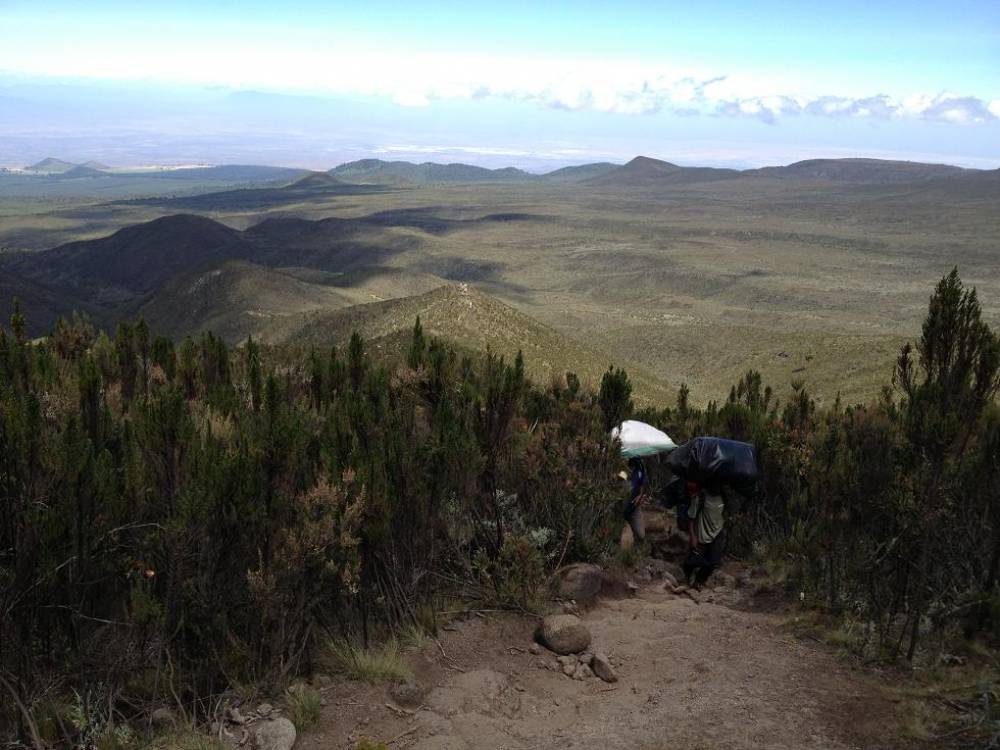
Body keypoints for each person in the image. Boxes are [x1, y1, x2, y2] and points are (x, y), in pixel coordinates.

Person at [681, 480, 727, 587]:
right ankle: (687, 578)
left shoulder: (723, 497)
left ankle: (699, 581)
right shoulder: (700, 498)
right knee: (693, 561)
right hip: (702, 535)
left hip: (717, 533)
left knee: (713, 563)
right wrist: (693, 536)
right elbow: (691, 518)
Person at [623, 456, 647, 543]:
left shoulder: (640, 464)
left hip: (633, 506)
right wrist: (624, 465)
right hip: (618, 507)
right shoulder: (621, 464)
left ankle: (636, 548)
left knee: (641, 535)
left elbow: (642, 482)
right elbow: (618, 479)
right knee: (614, 536)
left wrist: (640, 495)